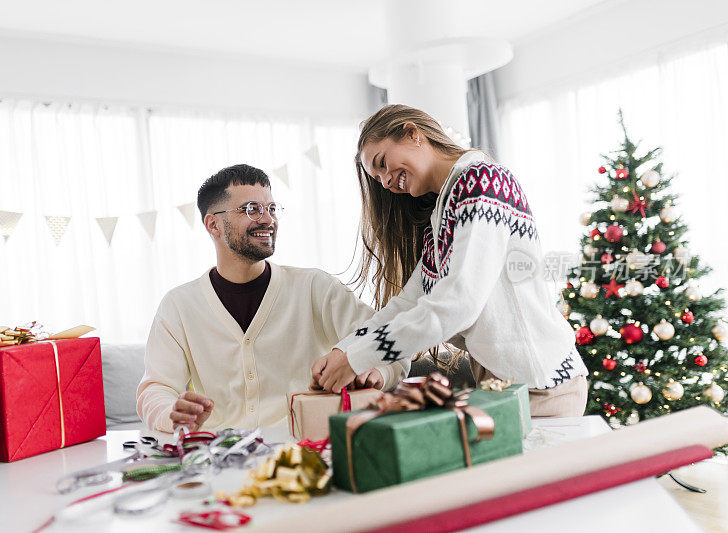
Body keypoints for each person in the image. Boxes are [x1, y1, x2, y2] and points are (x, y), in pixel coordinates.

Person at [312, 105, 588, 417]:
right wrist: (343, 349)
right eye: (378, 179)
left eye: (382, 163)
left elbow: (459, 302)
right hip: (505, 387)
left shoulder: (481, 182)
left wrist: (358, 357)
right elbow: (406, 304)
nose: (386, 182)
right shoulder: (442, 217)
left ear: (412, 133)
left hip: (543, 386)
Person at [137, 164, 409, 432]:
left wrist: (377, 372)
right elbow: (156, 388)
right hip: (221, 457)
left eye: (271, 208)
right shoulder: (178, 306)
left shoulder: (315, 287)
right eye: (252, 209)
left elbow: (393, 341)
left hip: (306, 452)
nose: (268, 219)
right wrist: (169, 412)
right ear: (214, 225)